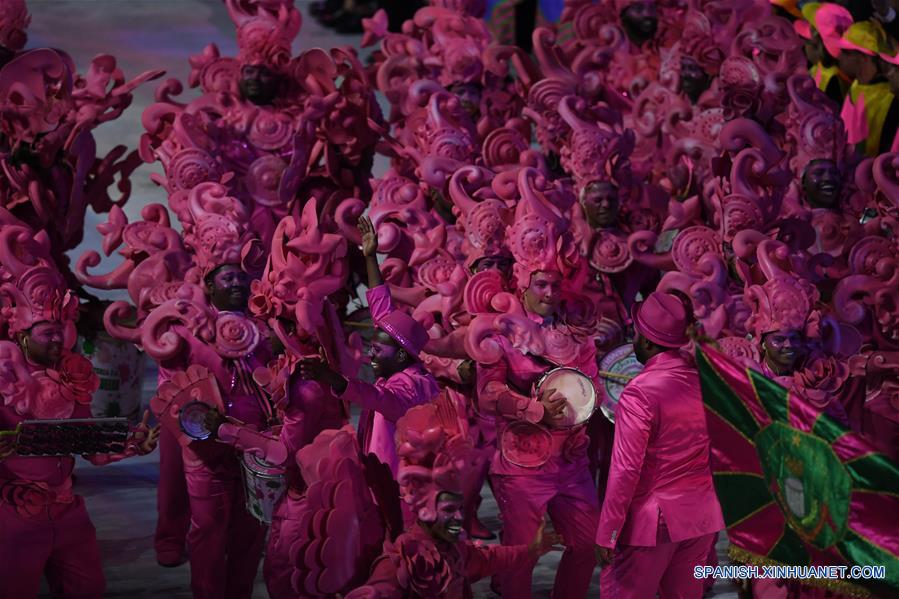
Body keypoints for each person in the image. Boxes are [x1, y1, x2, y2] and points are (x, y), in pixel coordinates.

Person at [347, 403, 564, 599]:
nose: (459, 518)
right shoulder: (398, 563)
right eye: (450, 509)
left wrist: (532, 549)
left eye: (460, 507)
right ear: (424, 508)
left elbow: (489, 559)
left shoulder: (454, 549)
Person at [595, 292, 724, 599]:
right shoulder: (705, 382)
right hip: (700, 518)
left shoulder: (641, 392)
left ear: (649, 343)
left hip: (653, 523)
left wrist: (608, 532)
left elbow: (625, 470)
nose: (633, 339)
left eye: (636, 333)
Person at [299, 216, 439, 474]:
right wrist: (370, 256)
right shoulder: (406, 363)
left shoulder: (410, 387)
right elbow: (381, 309)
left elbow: (374, 396)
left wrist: (332, 378)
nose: (370, 352)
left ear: (399, 354)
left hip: (401, 484)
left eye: (377, 349)